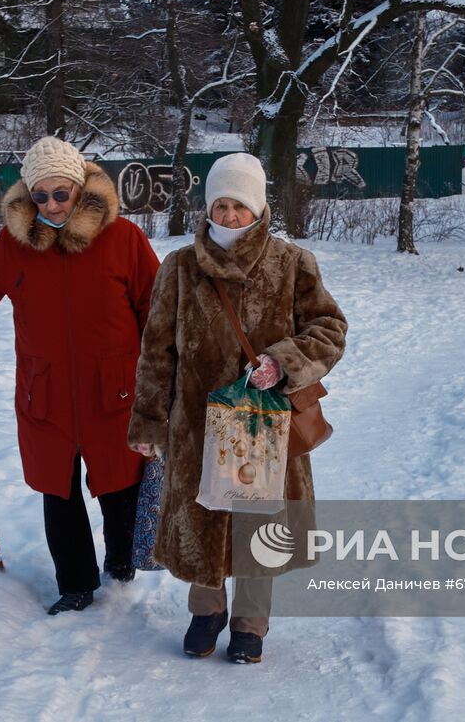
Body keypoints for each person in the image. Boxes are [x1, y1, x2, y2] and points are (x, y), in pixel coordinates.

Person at [127, 152, 348, 665]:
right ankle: (206, 611)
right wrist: (150, 420)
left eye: (239, 206)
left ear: (259, 207)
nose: (228, 216)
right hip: (196, 424)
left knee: (257, 520)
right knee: (203, 513)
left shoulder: (292, 263)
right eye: (220, 205)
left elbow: (330, 330)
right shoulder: (179, 268)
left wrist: (283, 361)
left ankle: (250, 621)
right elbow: (157, 351)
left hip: (262, 419)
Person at [0, 136, 161, 615]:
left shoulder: (123, 239)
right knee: (58, 492)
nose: (52, 205)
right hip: (46, 392)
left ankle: (121, 565)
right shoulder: (15, 244)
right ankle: (76, 583)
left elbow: (155, 306)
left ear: (80, 190)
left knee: (119, 485)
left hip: (115, 388)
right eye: (40, 196)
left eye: (62, 194)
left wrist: (163, 368)